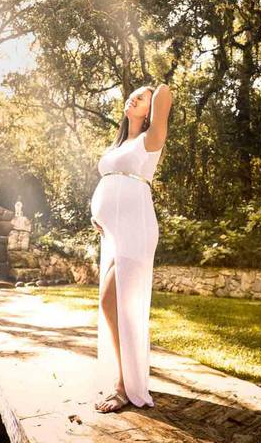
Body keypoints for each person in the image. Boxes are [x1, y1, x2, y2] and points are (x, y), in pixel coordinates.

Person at [89, 83, 173, 413]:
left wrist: (154, 90)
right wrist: (98, 213)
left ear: (150, 111)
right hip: (113, 234)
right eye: (132, 95)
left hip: (137, 229)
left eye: (141, 98)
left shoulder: (151, 139)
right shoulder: (120, 143)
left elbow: (165, 93)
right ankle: (122, 377)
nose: (133, 98)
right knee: (109, 302)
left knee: (123, 305)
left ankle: (126, 387)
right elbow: (111, 182)